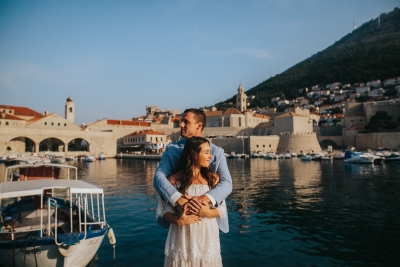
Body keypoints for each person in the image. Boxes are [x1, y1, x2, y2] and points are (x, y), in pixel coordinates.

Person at [154, 108, 232, 233]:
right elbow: (159, 178)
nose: (181, 125)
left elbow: (227, 184)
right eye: (181, 121)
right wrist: (179, 199)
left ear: (199, 126)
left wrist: (200, 201)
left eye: (186, 122)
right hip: (181, 221)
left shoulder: (216, 152)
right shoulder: (172, 149)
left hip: (207, 223)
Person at [157, 136, 227, 266]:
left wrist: (207, 212)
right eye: (206, 152)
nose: (211, 156)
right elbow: (164, 211)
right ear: (193, 154)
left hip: (207, 238)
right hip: (181, 239)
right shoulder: (173, 180)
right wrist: (178, 221)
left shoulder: (214, 179)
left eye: (210, 152)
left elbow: (222, 210)